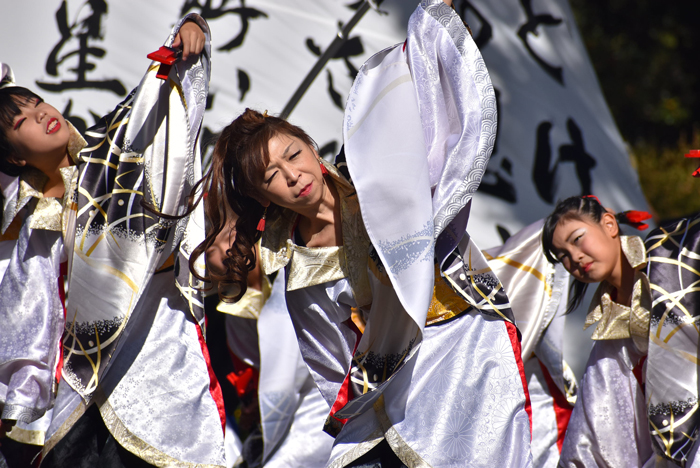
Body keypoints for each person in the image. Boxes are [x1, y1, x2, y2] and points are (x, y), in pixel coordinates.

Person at [194, 0, 533, 466]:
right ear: (265, 197)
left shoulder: (378, 180)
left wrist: (434, 19)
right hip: (392, 385)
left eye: (293, 154)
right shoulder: (300, 277)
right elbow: (335, 369)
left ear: (312, 148)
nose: (292, 175)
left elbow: (425, 105)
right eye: (271, 175)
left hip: (462, 341)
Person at [0, 14, 227, 467]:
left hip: (161, 347)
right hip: (85, 384)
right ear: (13, 155)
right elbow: (31, 321)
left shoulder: (112, 152)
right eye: (22, 120)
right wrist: (22, 404)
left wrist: (188, 30)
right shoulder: (36, 225)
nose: (41, 114)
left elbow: (156, 103)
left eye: (37, 102)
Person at [542, 195, 700, 467]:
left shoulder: (674, 259)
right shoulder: (608, 335)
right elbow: (593, 434)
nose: (575, 257)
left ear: (609, 224)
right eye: (563, 256)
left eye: (577, 239)